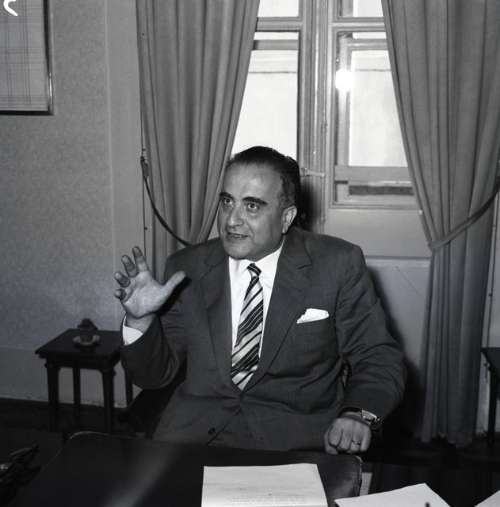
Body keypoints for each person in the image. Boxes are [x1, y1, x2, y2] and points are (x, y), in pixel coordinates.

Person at [114, 146, 405, 454]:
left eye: (251, 206)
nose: (232, 220)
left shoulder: (336, 264)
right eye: (227, 202)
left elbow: (377, 356)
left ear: (286, 217)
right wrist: (140, 321)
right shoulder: (187, 268)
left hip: (296, 444)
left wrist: (357, 414)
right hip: (196, 439)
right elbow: (153, 376)